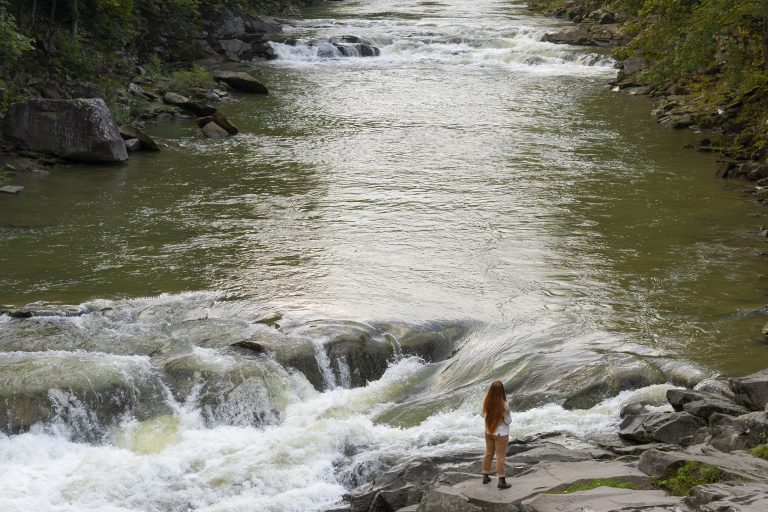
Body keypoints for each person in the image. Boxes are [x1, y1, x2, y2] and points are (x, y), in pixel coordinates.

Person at [481, 379, 512, 489]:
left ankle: (485, 476)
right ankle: (501, 481)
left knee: (489, 453)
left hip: (488, 432)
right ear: (502, 391)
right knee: (500, 457)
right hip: (501, 434)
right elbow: (508, 421)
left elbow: (483, 415)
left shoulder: (486, 402)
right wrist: (507, 414)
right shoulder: (504, 405)